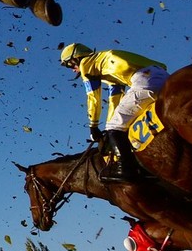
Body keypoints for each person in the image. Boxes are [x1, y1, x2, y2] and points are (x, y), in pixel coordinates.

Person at [60, 42, 169, 182]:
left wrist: (93, 126)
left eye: (70, 65)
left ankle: (126, 168)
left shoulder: (86, 63)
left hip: (144, 80)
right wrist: (108, 128)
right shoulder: (104, 64)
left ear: (76, 58)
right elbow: (114, 100)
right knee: (115, 125)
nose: (73, 70)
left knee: (114, 127)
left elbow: (93, 97)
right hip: (163, 76)